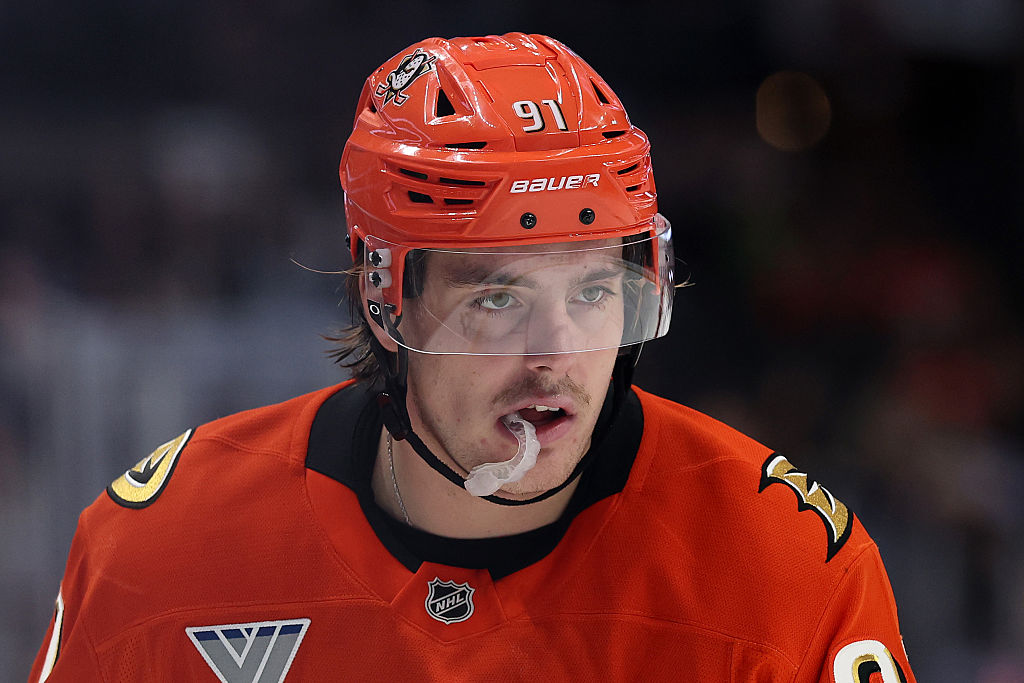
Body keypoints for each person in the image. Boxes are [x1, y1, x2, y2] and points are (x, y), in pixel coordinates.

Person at [30, 33, 915, 682]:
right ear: (386, 298)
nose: (556, 355)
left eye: (594, 292)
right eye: (497, 300)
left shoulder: (782, 565)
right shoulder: (157, 549)